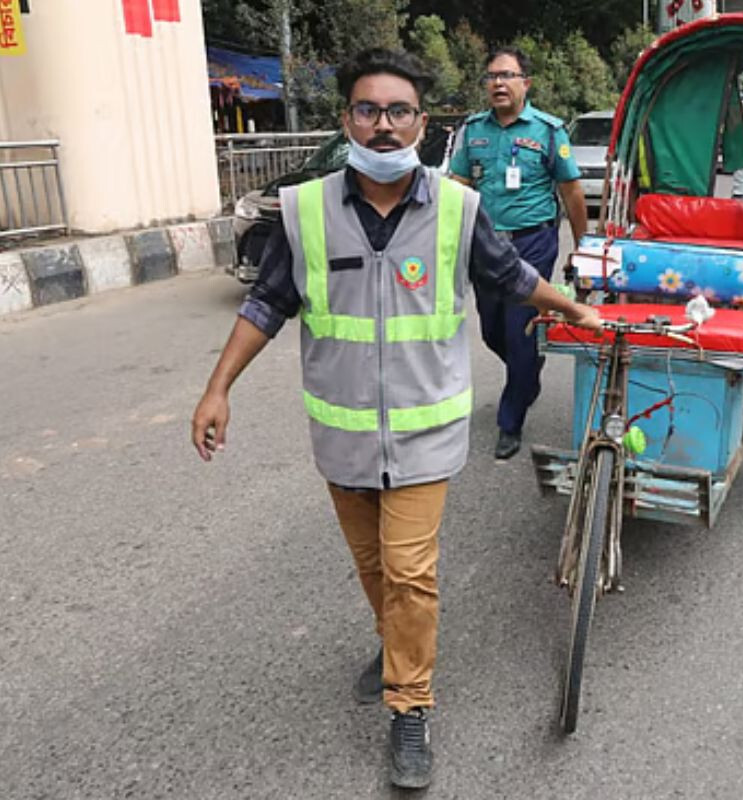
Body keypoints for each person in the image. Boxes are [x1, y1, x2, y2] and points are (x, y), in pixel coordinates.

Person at [189, 48, 600, 791]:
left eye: (399, 111)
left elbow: (511, 277)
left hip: (422, 435)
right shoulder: (306, 209)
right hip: (343, 436)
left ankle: (410, 705)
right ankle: (397, 646)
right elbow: (268, 304)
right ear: (347, 118)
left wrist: (574, 307)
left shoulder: (457, 208)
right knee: (375, 567)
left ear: (422, 124)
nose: (384, 126)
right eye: (369, 110)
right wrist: (219, 387)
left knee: (410, 571)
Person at [449, 47, 588, 460]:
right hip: (486, 244)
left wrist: (584, 248)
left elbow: (572, 192)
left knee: (520, 330)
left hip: (533, 242)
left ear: (525, 82)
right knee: (492, 330)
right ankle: (527, 375)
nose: (498, 83)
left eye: (507, 75)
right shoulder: (472, 131)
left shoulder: (548, 131)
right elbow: (457, 186)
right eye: (491, 76)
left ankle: (510, 420)